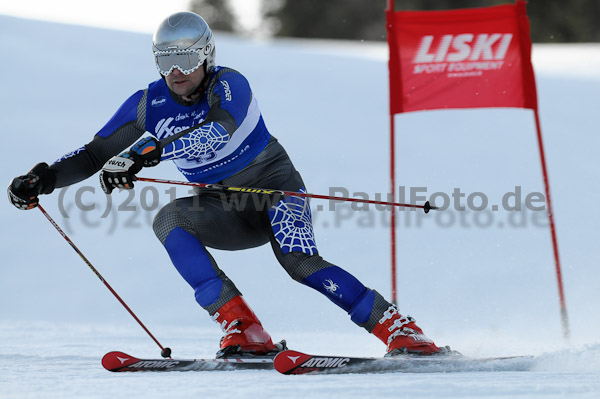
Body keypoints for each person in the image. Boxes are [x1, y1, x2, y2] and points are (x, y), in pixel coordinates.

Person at [7, 11, 442, 358]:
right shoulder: (148, 104)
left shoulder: (230, 84)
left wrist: (147, 153)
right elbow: (91, 154)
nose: (175, 71)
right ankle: (244, 327)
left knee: (299, 264)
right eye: (164, 60)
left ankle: (401, 330)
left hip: (274, 192)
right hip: (223, 208)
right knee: (169, 219)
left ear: (207, 56)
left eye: (186, 59)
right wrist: (42, 178)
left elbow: (218, 130)